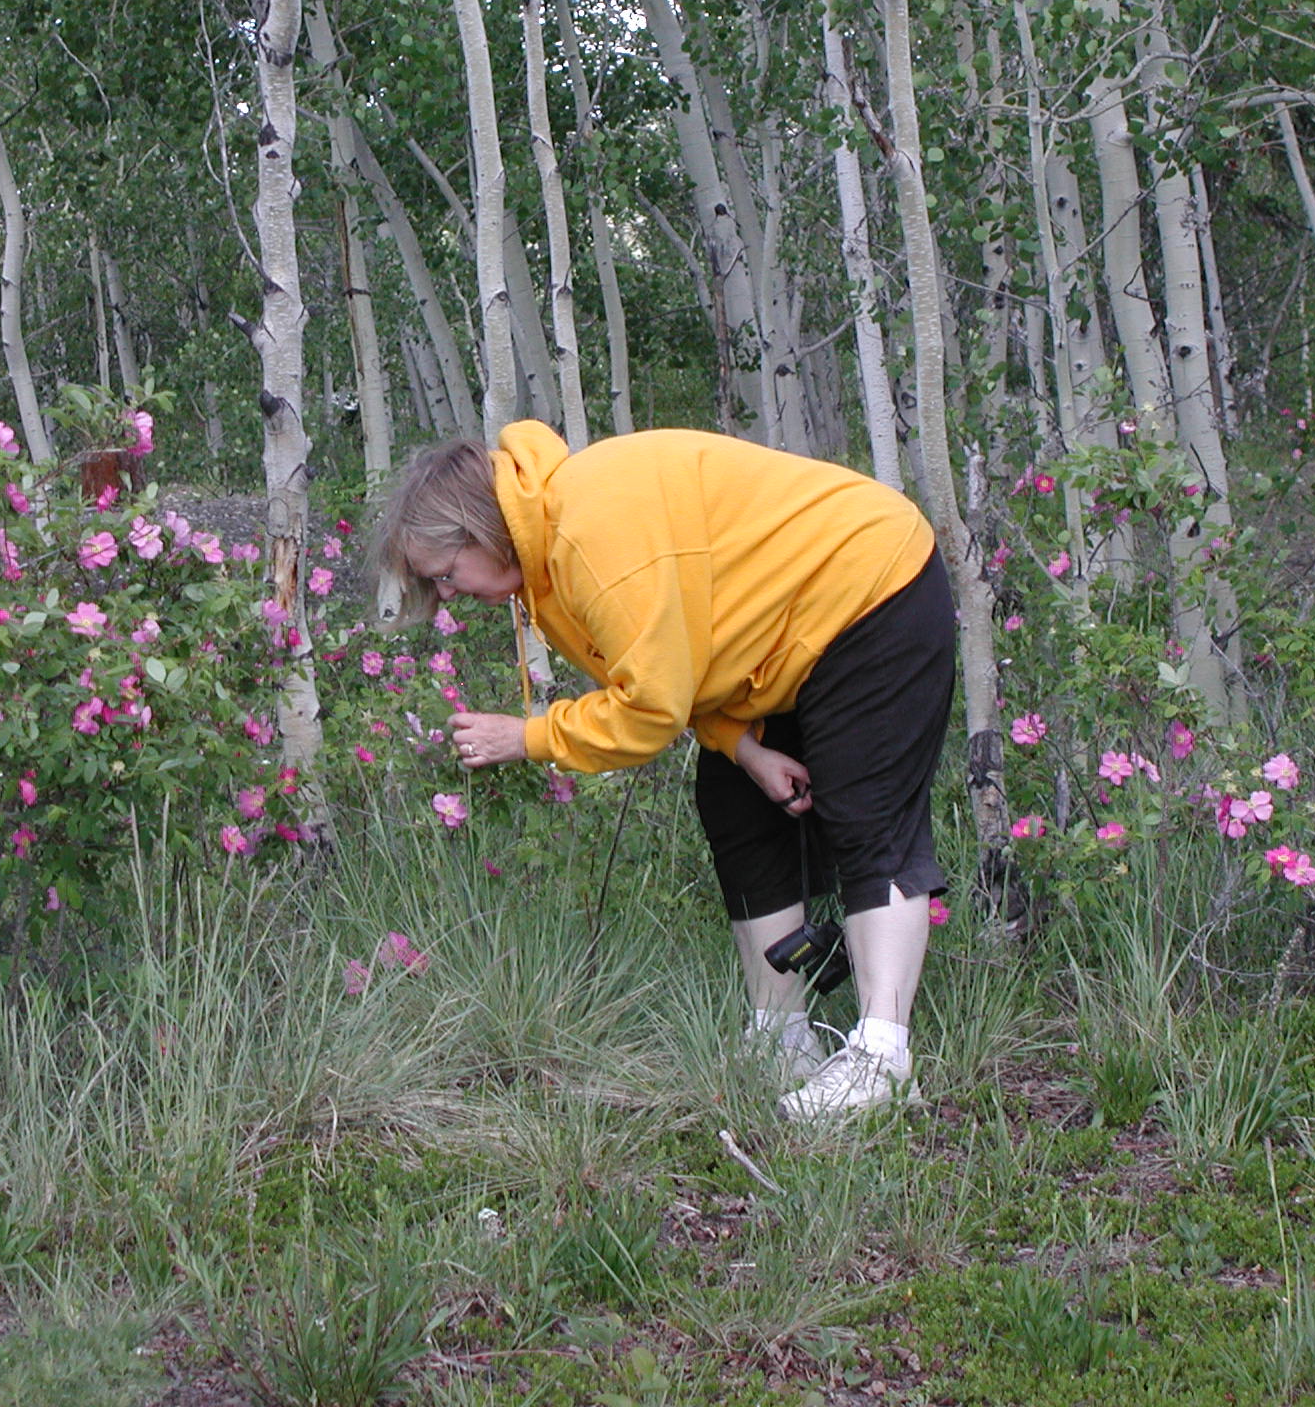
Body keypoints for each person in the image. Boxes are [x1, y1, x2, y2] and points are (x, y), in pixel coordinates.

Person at [370, 421, 956, 1120]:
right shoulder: (547, 561)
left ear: (477, 530)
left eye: (445, 574)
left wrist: (527, 737)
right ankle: (783, 1041)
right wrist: (743, 746)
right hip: (787, 636)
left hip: (872, 585)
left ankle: (881, 1060)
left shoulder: (589, 536)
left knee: (866, 810)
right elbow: (687, 661)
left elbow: (648, 710)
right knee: (733, 798)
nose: (450, 593)